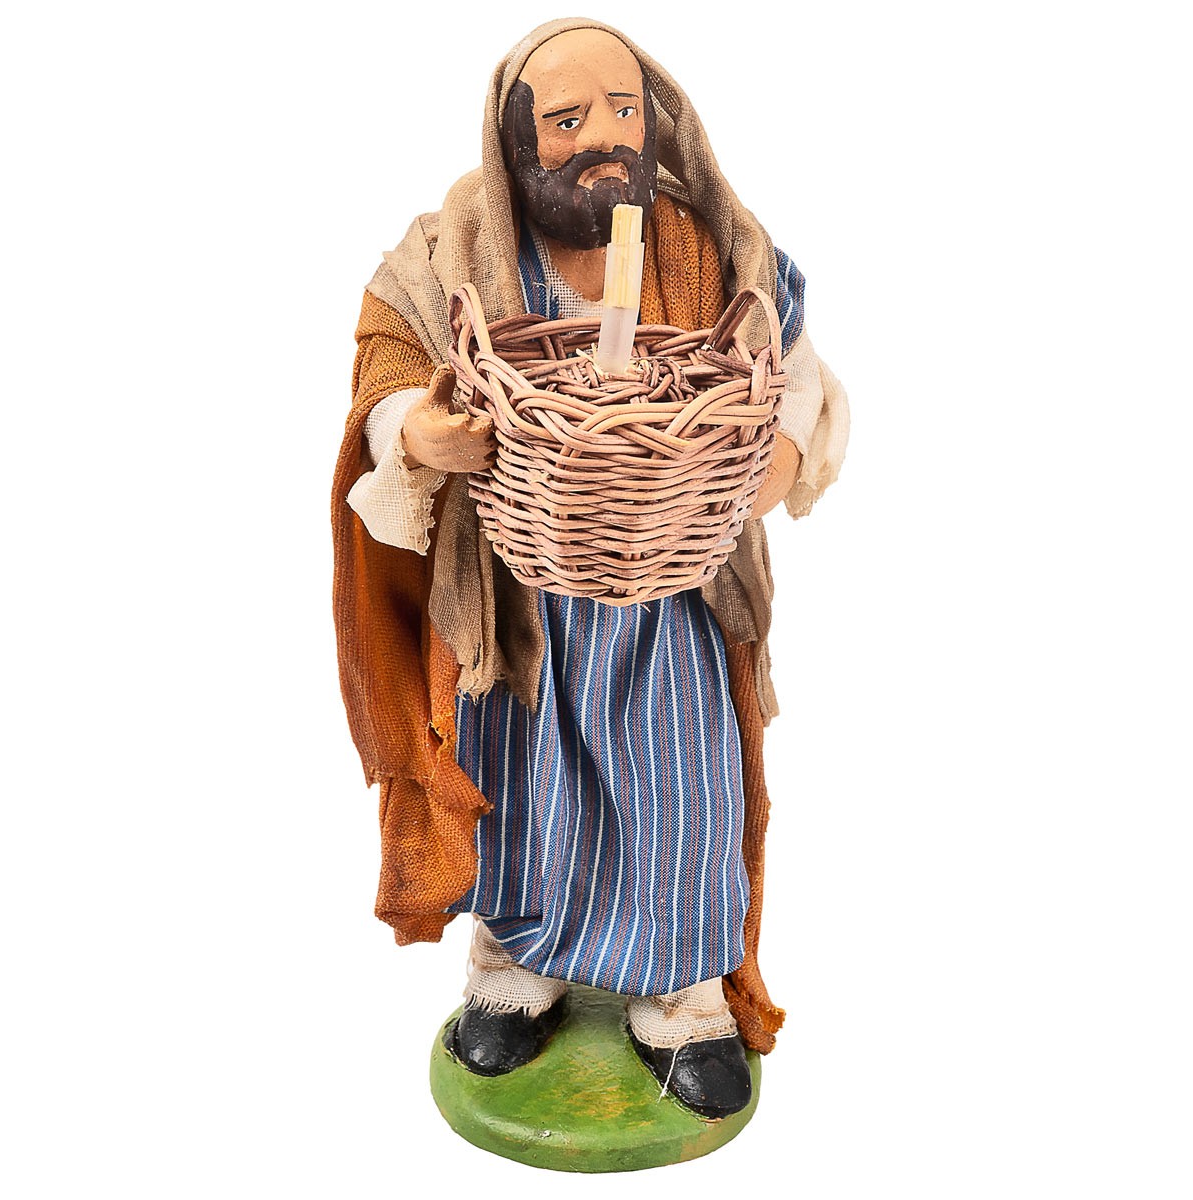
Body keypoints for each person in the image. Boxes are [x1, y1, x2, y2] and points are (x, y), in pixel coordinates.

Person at [331, 18, 848, 1119]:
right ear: (515, 141)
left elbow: (795, 367)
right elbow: (386, 365)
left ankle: (681, 990)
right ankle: (518, 966)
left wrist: (774, 456)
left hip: (673, 591)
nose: (603, 138)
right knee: (522, 781)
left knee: (678, 784)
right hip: (516, 593)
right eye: (567, 120)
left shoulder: (711, 246)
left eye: (623, 110)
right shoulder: (452, 249)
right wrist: (419, 431)